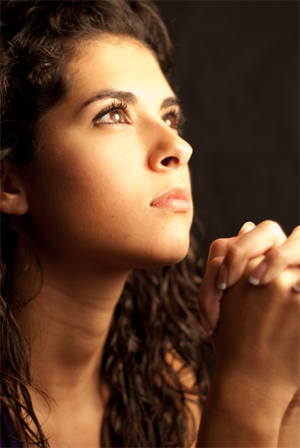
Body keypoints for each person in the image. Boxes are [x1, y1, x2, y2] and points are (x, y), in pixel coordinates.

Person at [1, 1, 300, 447]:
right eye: (113, 114)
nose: (178, 145)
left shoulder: (160, 387)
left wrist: (287, 387)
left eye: (169, 117)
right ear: (9, 184)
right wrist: (246, 390)